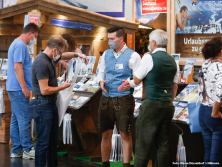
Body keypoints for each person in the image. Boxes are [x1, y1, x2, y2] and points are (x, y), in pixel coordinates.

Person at [30, 36, 87, 167]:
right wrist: (62, 87)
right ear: (55, 49)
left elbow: (63, 55)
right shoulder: (41, 63)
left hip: (49, 104)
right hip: (42, 104)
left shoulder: (50, 58)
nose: (61, 56)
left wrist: (77, 54)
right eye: (60, 52)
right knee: (43, 142)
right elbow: (44, 90)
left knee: (53, 140)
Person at [125, 29, 179, 167]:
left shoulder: (149, 57)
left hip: (151, 105)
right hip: (167, 106)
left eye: (149, 42)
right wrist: (169, 101)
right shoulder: (174, 61)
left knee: (143, 145)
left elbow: (136, 79)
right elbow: (174, 87)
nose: (149, 44)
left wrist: (128, 83)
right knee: (163, 145)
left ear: (153, 42)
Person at [97, 26, 141, 167]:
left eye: (112, 39)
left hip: (124, 99)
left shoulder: (133, 56)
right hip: (105, 99)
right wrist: (100, 81)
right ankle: (105, 164)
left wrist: (131, 84)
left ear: (121, 39)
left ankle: (126, 165)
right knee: (105, 133)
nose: (109, 42)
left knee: (125, 134)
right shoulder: (105, 54)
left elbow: (139, 80)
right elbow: (101, 72)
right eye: (108, 39)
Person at [6, 23, 40, 159]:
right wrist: (24, 87)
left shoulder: (15, 43)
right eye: (35, 36)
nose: (34, 39)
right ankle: (27, 149)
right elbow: (17, 67)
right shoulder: (20, 45)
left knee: (15, 119)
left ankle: (16, 150)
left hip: (13, 88)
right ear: (30, 33)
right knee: (25, 119)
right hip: (19, 89)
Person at [198, 37, 222, 166]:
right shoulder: (220, 67)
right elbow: (221, 92)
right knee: (216, 157)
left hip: (202, 111)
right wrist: (216, 112)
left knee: (208, 153)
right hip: (214, 114)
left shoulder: (206, 64)